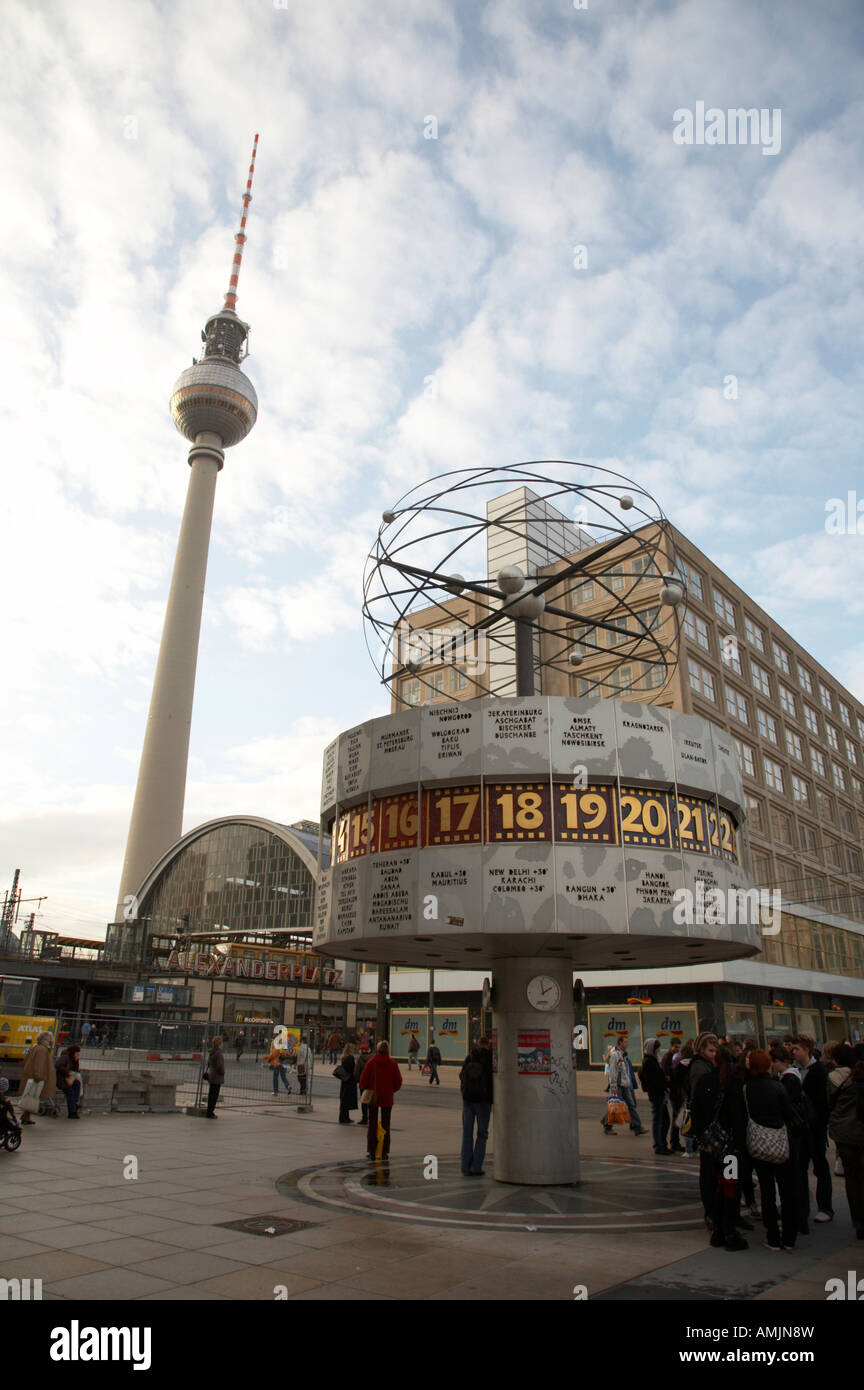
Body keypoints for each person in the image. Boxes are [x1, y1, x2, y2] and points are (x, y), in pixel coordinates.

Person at [689, 1033, 747, 1250]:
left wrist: (701, 1136)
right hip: (729, 1147)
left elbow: (696, 1110)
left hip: (710, 1145)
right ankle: (729, 1229)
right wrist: (739, 1144)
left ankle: (717, 1227)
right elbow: (738, 1116)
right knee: (730, 1186)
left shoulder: (706, 1081)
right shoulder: (732, 1084)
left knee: (711, 1182)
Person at [745, 1049, 798, 1251]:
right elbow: (789, 1114)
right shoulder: (778, 1087)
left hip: (759, 1143)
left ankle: (772, 1236)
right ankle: (790, 1237)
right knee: (786, 1190)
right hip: (780, 1141)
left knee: (766, 1191)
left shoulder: (747, 1088)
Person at [791, 1034, 833, 1225]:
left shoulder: (818, 1071)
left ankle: (825, 1207)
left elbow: (823, 1103)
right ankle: (802, 1207)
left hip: (815, 1128)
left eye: (797, 1049)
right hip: (800, 1128)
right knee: (800, 1168)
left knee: (820, 1166)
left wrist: (821, 1124)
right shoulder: (794, 1072)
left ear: (807, 1050)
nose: (794, 1052)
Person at [827, 1046, 864, 1239]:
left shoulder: (837, 1078)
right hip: (857, 1131)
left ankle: (858, 1221)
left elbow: (829, 1104)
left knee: (852, 1177)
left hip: (845, 1133)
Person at [359, 1040, 403, 1160]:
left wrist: (368, 1088)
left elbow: (363, 1080)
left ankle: (372, 1150)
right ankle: (384, 1151)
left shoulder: (371, 1062)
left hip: (374, 1096)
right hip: (387, 1097)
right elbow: (398, 1082)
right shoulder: (393, 1064)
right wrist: (390, 1090)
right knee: (386, 1124)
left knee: (372, 1123)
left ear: (377, 1050)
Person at [460, 1036, 493, 1175]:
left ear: (478, 1044)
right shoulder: (490, 1059)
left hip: (468, 1099)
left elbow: (462, 1075)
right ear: (489, 1045)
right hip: (483, 1101)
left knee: (467, 1133)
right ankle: (476, 1166)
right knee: (482, 1134)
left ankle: (465, 1166)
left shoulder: (471, 1056)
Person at [604, 1036, 647, 1136]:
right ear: (620, 1043)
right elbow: (614, 1072)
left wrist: (628, 1082)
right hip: (618, 1085)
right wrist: (613, 1085)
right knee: (615, 1106)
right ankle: (607, 1125)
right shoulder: (615, 1055)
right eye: (625, 1042)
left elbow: (626, 1071)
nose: (627, 1044)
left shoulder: (623, 1055)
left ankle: (637, 1126)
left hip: (625, 1084)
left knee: (631, 1105)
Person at [17, 1032, 56, 1126]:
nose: (51, 1042)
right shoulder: (42, 1050)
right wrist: (39, 1077)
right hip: (36, 1078)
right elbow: (39, 1065)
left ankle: (26, 1116)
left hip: (30, 1076)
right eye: (50, 1040)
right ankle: (26, 1116)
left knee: (30, 1097)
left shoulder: (34, 1047)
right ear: (45, 1040)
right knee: (32, 1097)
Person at [639, 1037, 670, 1154]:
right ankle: (659, 1145)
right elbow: (653, 1080)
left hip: (659, 1093)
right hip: (656, 1094)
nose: (658, 1050)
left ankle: (662, 1143)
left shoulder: (652, 1060)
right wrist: (664, 1084)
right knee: (659, 1120)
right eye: (657, 1048)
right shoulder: (649, 1062)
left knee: (664, 1119)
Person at [55, 1042, 83, 1119]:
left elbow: (76, 1070)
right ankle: (72, 1111)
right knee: (70, 1091)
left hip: (69, 1080)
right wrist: (67, 1072)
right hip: (62, 1080)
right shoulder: (65, 1057)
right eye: (77, 1053)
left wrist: (76, 1061)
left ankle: (75, 1104)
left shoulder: (74, 1059)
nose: (78, 1054)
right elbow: (58, 1065)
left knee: (77, 1084)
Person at [337, 1042, 359, 1124]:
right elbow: (352, 1070)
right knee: (347, 1099)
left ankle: (345, 1117)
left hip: (345, 1081)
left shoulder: (344, 1057)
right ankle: (344, 1118)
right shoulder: (350, 1058)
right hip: (349, 1081)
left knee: (344, 1099)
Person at [204, 1036, 225, 1118]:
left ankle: (209, 1111)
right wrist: (222, 1072)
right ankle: (210, 1112)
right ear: (219, 1043)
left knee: (211, 1094)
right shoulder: (219, 1053)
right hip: (217, 1076)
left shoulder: (211, 1052)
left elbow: (209, 1064)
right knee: (214, 1095)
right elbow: (220, 1066)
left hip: (211, 1075)